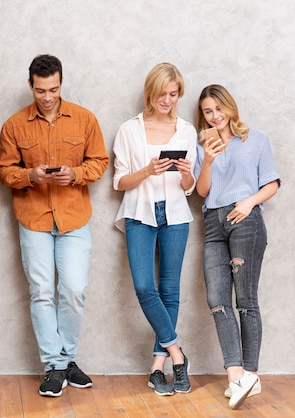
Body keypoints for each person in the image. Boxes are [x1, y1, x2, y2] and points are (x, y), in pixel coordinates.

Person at [0, 54, 109, 397]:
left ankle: (68, 358)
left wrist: (75, 173)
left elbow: (100, 162)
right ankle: (55, 366)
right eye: (41, 90)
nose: (47, 96)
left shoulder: (85, 119)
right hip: (34, 218)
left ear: (61, 84)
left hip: (74, 217)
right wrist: (29, 175)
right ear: (30, 85)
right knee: (42, 292)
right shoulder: (14, 125)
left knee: (73, 290)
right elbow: (3, 170)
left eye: (54, 89)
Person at [112, 63, 196, 396]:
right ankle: (177, 352)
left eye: (174, 94)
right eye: (162, 93)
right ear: (151, 92)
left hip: (175, 215)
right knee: (145, 287)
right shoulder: (129, 130)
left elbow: (188, 188)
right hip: (139, 214)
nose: (168, 100)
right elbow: (119, 181)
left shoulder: (186, 130)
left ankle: (157, 368)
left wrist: (187, 172)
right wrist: (148, 170)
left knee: (170, 290)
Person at [194, 84, 280, 410]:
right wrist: (207, 160)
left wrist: (249, 203)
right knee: (217, 299)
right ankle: (236, 377)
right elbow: (202, 191)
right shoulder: (203, 145)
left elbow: (271, 182)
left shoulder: (255, 139)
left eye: (219, 108)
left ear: (230, 107)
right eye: (207, 111)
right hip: (213, 224)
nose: (215, 116)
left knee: (245, 300)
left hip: (245, 219)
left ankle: (251, 375)